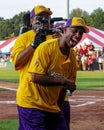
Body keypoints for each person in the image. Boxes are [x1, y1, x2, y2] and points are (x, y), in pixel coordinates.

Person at [25, 17, 89, 130]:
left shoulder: (73, 56)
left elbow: (64, 88)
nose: (78, 35)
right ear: (64, 30)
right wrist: (63, 81)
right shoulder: (46, 47)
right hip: (32, 104)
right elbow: (35, 76)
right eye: (74, 31)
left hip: (51, 106)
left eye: (81, 32)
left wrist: (58, 109)